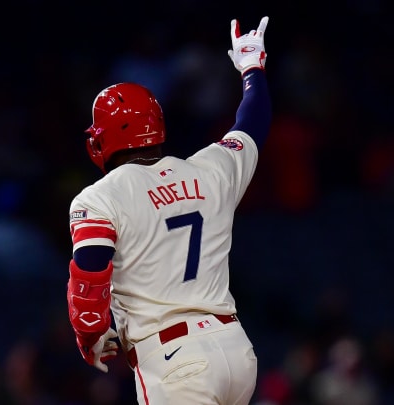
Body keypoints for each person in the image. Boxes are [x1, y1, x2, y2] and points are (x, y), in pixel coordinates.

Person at [65, 16, 271, 404]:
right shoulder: (211, 167)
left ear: (102, 141)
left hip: (174, 361)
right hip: (235, 348)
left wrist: (90, 336)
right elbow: (253, 122)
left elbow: (90, 278)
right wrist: (252, 69)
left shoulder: (99, 196)